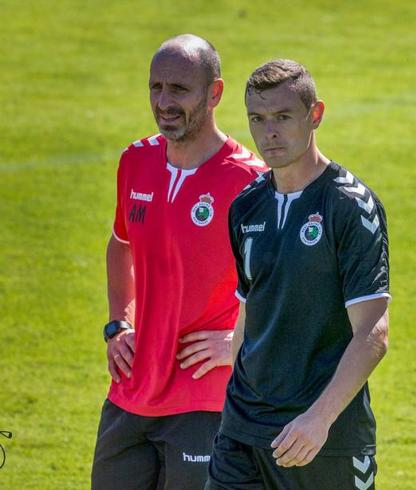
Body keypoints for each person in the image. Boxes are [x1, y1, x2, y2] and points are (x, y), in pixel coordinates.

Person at [206, 59, 391, 490]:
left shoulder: (350, 206)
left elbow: (373, 332)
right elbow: (248, 312)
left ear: (315, 115)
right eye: (258, 118)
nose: (269, 131)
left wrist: (318, 419)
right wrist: (235, 401)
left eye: (283, 117)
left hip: (323, 437)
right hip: (242, 431)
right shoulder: (246, 205)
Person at [91, 34, 265, 490]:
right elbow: (120, 243)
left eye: (179, 90)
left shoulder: (251, 184)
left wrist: (236, 341)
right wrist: (117, 324)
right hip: (131, 390)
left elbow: (287, 285)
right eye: (156, 88)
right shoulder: (135, 160)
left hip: (204, 399)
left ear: (215, 93)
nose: (163, 102)